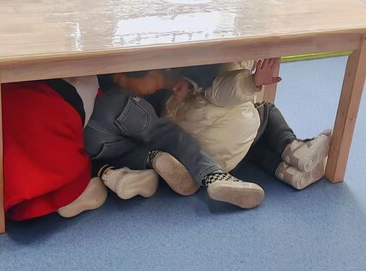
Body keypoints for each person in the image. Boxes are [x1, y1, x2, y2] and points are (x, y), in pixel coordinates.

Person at [116, 59, 332, 190]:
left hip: (191, 142)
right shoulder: (221, 64)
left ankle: (286, 172)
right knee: (265, 111)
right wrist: (253, 81)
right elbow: (223, 89)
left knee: (251, 146)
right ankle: (293, 148)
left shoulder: (168, 93)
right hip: (216, 138)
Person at [0, 75, 157, 220]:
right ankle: (114, 172)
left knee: (19, 133)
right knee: (94, 131)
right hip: (56, 110)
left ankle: (114, 173)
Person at [83, 73, 266, 210]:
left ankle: (153, 158)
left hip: (88, 133)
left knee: (122, 152)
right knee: (168, 134)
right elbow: (144, 81)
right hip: (116, 105)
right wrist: (170, 81)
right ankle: (213, 175)